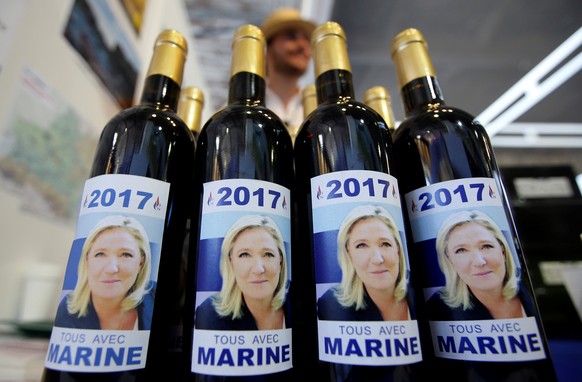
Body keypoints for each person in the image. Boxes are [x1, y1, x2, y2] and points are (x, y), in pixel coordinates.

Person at [426, 210, 534, 321]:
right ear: (449, 259)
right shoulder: (438, 307)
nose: (479, 262)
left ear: (502, 249)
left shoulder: (529, 281)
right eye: (461, 250)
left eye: (486, 246)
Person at [55, 215, 155, 330]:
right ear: (87, 260)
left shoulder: (154, 296)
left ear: (141, 263)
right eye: (100, 254)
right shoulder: (67, 310)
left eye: (126, 254)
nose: (111, 269)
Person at [195, 215, 289, 330]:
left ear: (280, 260)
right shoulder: (209, 316)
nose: (258, 269)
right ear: (231, 261)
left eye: (268, 254)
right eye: (244, 255)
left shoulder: (302, 298)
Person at [318, 205, 410, 321]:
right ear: (348, 253)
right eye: (361, 246)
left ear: (397, 248)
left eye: (385, 244)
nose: (377, 259)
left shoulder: (424, 292)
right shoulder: (331, 305)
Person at [260, 7, 316, 141]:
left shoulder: (320, 105)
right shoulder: (242, 107)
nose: (303, 46)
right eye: (291, 36)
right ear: (267, 49)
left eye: (307, 40)